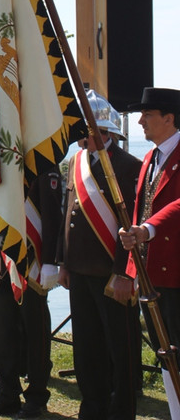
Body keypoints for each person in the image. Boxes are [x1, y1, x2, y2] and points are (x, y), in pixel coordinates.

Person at [57, 90, 141, 420]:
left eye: (83, 129)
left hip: (111, 271)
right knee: (87, 346)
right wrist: (63, 262)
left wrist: (125, 272)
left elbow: (132, 223)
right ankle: (92, 407)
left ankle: (122, 410)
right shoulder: (76, 163)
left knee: (121, 348)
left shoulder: (128, 165)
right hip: (79, 269)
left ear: (102, 131)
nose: (79, 136)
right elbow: (69, 214)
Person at [0, 167, 63, 418]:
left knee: (35, 333)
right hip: (2, 259)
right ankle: (7, 394)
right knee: (2, 332)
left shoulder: (44, 159)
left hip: (32, 261)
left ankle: (36, 397)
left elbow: (51, 214)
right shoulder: (1, 158)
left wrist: (50, 260)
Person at [119, 87, 180, 418]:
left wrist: (148, 229)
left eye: (148, 115)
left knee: (176, 351)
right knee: (164, 352)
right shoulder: (151, 157)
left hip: (175, 272)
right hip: (150, 271)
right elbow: (140, 209)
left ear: (168, 118)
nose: (140, 121)